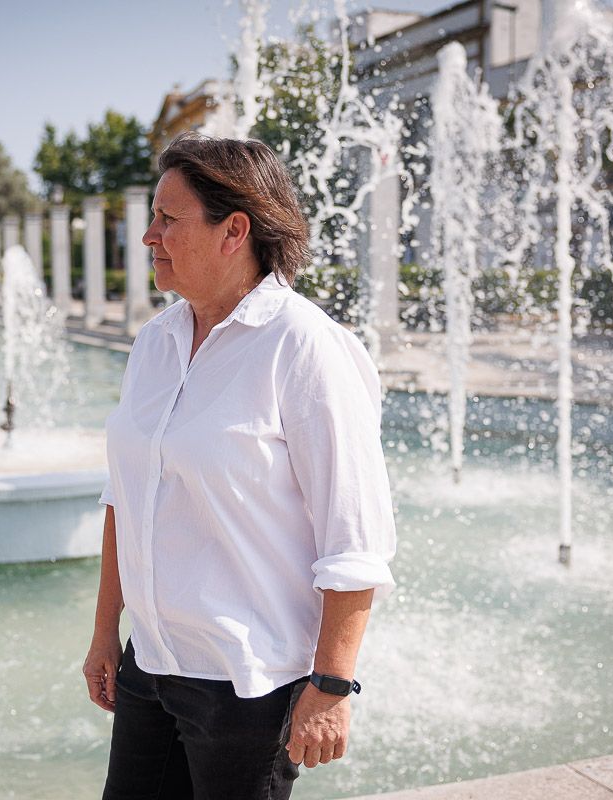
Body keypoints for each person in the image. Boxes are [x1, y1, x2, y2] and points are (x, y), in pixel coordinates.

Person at [83, 132, 398, 800]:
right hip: (152, 665)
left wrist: (332, 684)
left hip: (249, 686)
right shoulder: (154, 343)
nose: (149, 237)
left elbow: (356, 538)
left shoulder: (306, 348)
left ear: (234, 231)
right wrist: (106, 631)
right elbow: (125, 497)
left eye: (168, 220)